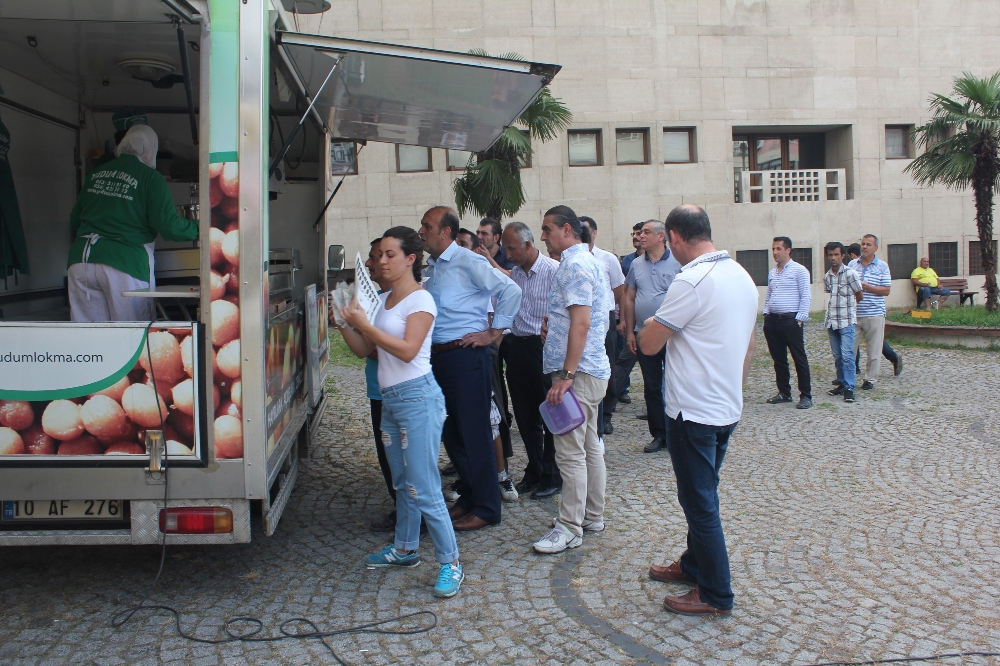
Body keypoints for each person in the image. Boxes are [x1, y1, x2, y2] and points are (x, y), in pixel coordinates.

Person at [638, 205, 757, 617]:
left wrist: (649, 323)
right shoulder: (740, 275)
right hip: (725, 407)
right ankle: (693, 565)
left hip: (692, 413)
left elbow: (649, 344)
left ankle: (715, 593)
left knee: (699, 503)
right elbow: (749, 346)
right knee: (703, 494)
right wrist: (734, 394)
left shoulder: (691, 281)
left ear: (672, 237)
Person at [336, 226, 464, 599]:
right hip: (391, 400)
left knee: (424, 486)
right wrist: (343, 323)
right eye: (379, 255)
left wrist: (363, 324)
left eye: (390, 254)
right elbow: (364, 350)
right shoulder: (385, 299)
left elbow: (408, 350)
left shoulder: (420, 300)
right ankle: (405, 549)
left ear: (410, 259)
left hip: (418, 399)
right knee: (402, 482)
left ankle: (451, 562)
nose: (382, 261)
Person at [418, 206, 522, 532]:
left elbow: (511, 290)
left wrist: (493, 332)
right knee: (451, 432)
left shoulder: (468, 261)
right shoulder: (433, 267)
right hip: (439, 357)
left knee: (475, 433)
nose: (421, 231)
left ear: (445, 231)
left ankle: (487, 507)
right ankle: (470, 495)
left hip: (466, 356)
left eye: (427, 226)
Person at [532, 205, 610, 554]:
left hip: (577, 375)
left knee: (569, 452)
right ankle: (591, 516)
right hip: (587, 371)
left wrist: (565, 374)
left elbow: (582, 323)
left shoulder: (576, 264)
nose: (543, 236)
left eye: (547, 229)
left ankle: (569, 527)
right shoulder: (587, 261)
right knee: (589, 446)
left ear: (567, 229)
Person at [67, 125, 198, 321]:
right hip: (124, 264)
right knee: (132, 331)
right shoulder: (150, 178)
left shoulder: (96, 174)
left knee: (88, 334)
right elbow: (170, 228)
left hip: (81, 261)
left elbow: (74, 220)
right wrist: (202, 227)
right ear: (151, 150)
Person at [500, 221, 562, 499]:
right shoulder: (514, 275)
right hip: (517, 346)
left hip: (543, 347)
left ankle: (552, 473)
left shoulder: (553, 271)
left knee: (549, 412)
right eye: (505, 249)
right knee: (525, 416)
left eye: (511, 248)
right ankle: (535, 469)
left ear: (528, 244)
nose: (508, 254)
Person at [619, 219, 682, 453]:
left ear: (661, 236)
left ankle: (679, 433)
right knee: (652, 385)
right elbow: (629, 298)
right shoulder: (636, 264)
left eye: (646, 232)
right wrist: (629, 331)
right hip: (644, 333)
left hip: (674, 334)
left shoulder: (679, 263)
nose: (640, 236)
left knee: (677, 384)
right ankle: (659, 434)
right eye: (640, 233)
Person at [356, 238, 397, 532]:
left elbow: (391, 350)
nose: (370, 264)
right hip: (378, 388)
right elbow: (363, 349)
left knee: (398, 459)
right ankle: (403, 511)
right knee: (386, 455)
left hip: (395, 392)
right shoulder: (378, 299)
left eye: (374, 257)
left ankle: (413, 516)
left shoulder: (403, 300)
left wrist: (368, 336)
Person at [581, 216, 625, 437]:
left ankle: (606, 414)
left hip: (603, 318)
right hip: (581, 317)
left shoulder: (607, 258)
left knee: (606, 364)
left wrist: (605, 309)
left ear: (594, 233)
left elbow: (618, 289)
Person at [762, 237, 813, 410]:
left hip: (790, 321)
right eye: (773, 249)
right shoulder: (773, 272)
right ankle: (784, 392)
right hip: (773, 320)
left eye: (778, 249)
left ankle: (805, 395)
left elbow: (805, 294)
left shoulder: (799, 271)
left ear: (788, 250)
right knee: (779, 359)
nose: (775, 252)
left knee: (799, 358)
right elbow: (770, 293)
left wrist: (800, 318)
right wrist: (766, 312)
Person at [848, 235, 892, 390]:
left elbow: (886, 290)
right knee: (849, 350)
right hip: (854, 313)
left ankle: (870, 379)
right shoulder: (852, 264)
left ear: (876, 248)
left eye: (868, 244)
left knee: (874, 349)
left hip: (874, 313)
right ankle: (847, 379)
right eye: (863, 244)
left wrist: (868, 287)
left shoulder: (882, 266)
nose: (865, 247)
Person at [824, 242, 864, 404]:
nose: (833, 258)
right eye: (830, 255)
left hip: (846, 320)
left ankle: (850, 387)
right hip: (832, 321)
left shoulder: (850, 274)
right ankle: (841, 382)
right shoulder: (827, 276)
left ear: (842, 256)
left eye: (836, 254)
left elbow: (859, 294)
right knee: (838, 356)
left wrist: (850, 309)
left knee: (848, 355)